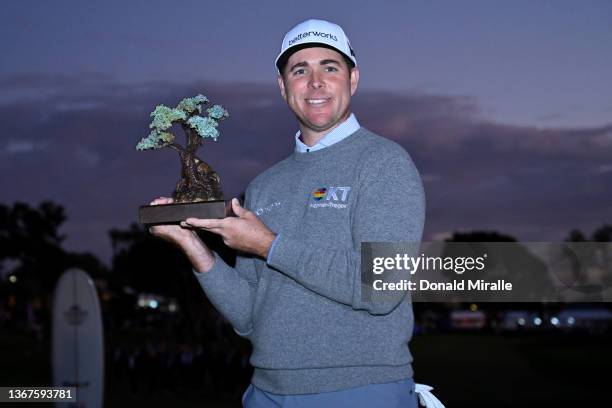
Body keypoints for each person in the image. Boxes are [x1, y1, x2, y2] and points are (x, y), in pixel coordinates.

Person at [150, 19, 426, 408]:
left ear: (353, 79)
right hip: (266, 394)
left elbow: (379, 288)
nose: (315, 82)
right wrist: (193, 247)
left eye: (329, 67)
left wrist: (267, 244)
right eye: (300, 70)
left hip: (360, 391)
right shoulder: (264, 185)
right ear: (284, 87)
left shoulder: (384, 163)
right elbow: (248, 316)